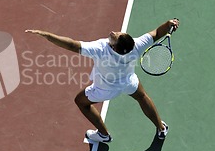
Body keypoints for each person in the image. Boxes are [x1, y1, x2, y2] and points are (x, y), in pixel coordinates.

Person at [25, 18, 179, 143]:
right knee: (142, 97)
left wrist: (47, 35)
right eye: (119, 33)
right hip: (128, 82)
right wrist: (169, 24)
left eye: (115, 37)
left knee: (80, 101)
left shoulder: (100, 49)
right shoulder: (136, 45)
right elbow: (157, 33)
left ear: (114, 48)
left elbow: (72, 45)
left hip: (104, 89)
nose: (114, 33)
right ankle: (161, 128)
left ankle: (104, 135)